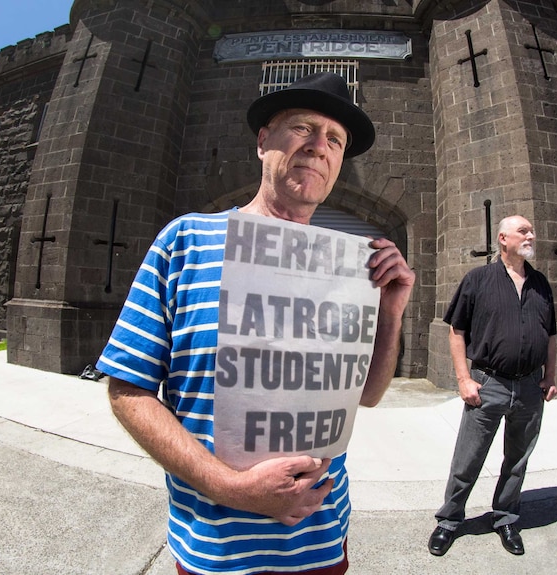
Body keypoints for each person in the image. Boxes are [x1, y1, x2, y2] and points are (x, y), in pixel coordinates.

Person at [96, 72, 415, 575]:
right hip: (214, 546)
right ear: (263, 140)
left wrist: (392, 310)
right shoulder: (186, 241)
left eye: (335, 140)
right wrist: (231, 489)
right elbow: (126, 391)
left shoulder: (351, 269)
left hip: (320, 541)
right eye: (303, 128)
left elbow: (367, 396)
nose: (318, 147)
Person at [428, 214, 557, 558]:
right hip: (488, 384)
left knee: (517, 459)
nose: (531, 235)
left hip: (531, 387)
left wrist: (550, 375)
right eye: (523, 231)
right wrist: (463, 379)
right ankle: (449, 520)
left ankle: (506, 517)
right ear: (503, 238)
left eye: (532, 230)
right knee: (468, 458)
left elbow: (552, 334)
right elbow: (456, 330)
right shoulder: (478, 279)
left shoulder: (541, 284)